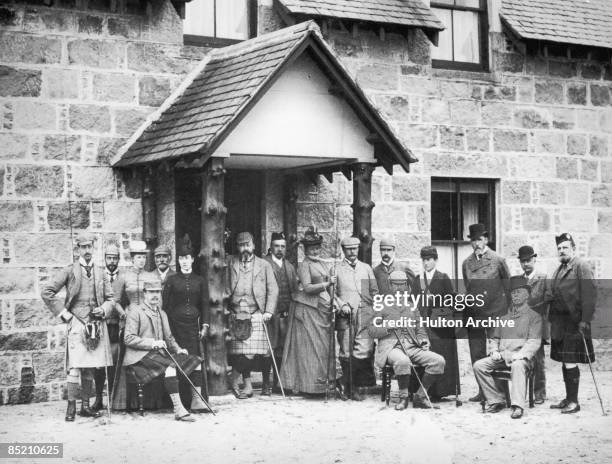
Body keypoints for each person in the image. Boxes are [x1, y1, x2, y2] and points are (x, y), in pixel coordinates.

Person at [41, 234, 115, 421]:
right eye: (83, 247)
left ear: (93, 248)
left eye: (90, 246)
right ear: (78, 249)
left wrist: (104, 309)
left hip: (95, 325)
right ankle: (71, 407)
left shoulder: (100, 272)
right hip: (76, 324)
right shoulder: (69, 271)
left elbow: (111, 298)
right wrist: (64, 314)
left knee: (90, 368)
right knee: (74, 367)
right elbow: (47, 291)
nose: (87, 250)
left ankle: (86, 407)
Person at [123, 281, 202, 422]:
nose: (155, 295)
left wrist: (179, 349)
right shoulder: (135, 311)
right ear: (144, 293)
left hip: (158, 355)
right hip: (139, 357)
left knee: (195, 361)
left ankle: (197, 402)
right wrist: (152, 343)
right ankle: (178, 409)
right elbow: (128, 339)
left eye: (157, 292)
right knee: (171, 367)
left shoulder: (162, 313)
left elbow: (169, 338)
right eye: (151, 292)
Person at [368, 271, 445, 410]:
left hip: (412, 346)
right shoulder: (380, 305)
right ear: (390, 286)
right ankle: (403, 398)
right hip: (391, 348)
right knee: (402, 361)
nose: (399, 289)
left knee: (438, 361)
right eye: (396, 285)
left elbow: (419, 328)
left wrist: (423, 341)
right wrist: (387, 327)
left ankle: (420, 396)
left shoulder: (412, 306)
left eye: (402, 285)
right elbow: (372, 330)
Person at [281, 228, 340, 397]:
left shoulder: (322, 264)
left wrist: (334, 300)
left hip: (323, 310)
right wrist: (327, 285)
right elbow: (307, 288)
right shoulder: (303, 265)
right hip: (308, 310)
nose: (315, 251)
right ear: (305, 250)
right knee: (310, 349)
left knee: (323, 348)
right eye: (312, 248)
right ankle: (310, 385)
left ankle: (324, 384)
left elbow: (330, 289)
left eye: (317, 248)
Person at [473, 276, 543, 419]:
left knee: (517, 365)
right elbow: (494, 339)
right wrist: (494, 351)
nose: (515, 295)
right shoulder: (504, 318)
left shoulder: (534, 317)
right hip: (503, 356)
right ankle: (496, 400)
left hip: (523, 358)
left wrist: (521, 355)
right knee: (479, 366)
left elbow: (534, 342)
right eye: (513, 292)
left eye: (519, 292)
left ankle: (517, 406)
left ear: (527, 294)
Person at [545, 233, 596, 414]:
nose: (562, 250)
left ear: (573, 248)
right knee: (565, 360)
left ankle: (574, 402)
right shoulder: (559, 269)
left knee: (570, 360)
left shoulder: (581, 266)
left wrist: (585, 321)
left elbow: (589, 295)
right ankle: (568, 398)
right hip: (560, 323)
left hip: (574, 323)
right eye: (559, 248)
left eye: (565, 247)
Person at [226, 232, 279, 399]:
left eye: (247, 245)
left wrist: (269, 311)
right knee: (240, 353)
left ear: (254, 246)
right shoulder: (230, 263)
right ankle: (247, 386)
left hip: (256, 312)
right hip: (235, 313)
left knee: (250, 351)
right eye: (241, 245)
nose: (244, 249)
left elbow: (273, 289)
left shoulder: (264, 265)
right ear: (237, 247)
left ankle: (233, 378)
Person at [462, 223, 510, 402]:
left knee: (495, 353)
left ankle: (500, 392)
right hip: (475, 314)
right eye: (473, 240)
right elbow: (468, 287)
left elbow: (508, 287)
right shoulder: (466, 263)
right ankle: (483, 392)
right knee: (476, 353)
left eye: (480, 239)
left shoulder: (498, 260)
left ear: (486, 239)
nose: (477, 243)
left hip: (495, 313)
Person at [163, 237, 210, 411]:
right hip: (176, 328)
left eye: (187, 258)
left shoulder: (200, 281)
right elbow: (165, 308)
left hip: (194, 329)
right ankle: (178, 401)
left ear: (192, 259)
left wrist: (205, 325)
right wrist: (168, 330)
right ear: (178, 260)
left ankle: (196, 401)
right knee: (177, 361)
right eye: (181, 258)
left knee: (195, 361)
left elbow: (204, 304)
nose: (184, 261)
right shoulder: (172, 281)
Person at [411, 246, 458, 400]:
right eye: (423, 260)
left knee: (440, 353)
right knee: (424, 355)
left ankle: (439, 392)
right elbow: (413, 304)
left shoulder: (443, 278)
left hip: (439, 326)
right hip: (423, 325)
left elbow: (451, 303)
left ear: (435, 260)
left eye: (429, 259)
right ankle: (422, 391)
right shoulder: (418, 281)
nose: (426, 263)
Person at [335, 236, 379, 401]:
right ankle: (347, 386)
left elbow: (374, 291)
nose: (352, 252)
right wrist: (341, 305)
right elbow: (331, 294)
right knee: (346, 350)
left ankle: (353, 385)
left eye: (355, 249)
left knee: (363, 350)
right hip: (346, 315)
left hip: (365, 314)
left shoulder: (366, 268)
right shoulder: (336, 269)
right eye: (349, 249)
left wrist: (374, 309)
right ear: (343, 250)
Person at [92, 243, 127, 411]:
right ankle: (98, 398)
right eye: (109, 258)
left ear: (119, 259)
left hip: (116, 327)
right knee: (99, 364)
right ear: (105, 259)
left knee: (113, 362)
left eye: (115, 258)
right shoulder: (98, 277)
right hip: (102, 324)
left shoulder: (123, 279)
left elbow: (126, 302)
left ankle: (112, 399)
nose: (112, 261)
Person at [263, 232, 299, 395]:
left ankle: (279, 383)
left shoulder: (290, 267)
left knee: (282, 349)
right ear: (270, 247)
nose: (279, 249)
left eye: (283, 246)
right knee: (267, 349)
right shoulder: (264, 264)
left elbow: (294, 291)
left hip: (285, 315)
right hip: (269, 314)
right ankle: (265, 383)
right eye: (276, 246)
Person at [518, 245, 549, 404]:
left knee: (538, 360)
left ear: (534, 259)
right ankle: (522, 392)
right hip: (522, 327)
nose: (526, 264)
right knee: (523, 358)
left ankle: (539, 393)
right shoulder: (518, 280)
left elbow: (548, 301)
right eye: (523, 261)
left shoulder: (543, 279)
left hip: (538, 325)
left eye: (528, 260)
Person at [124, 240, 159, 306]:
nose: (142, 260)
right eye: (139, 257)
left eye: (144, 257)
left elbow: (157, 299)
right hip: (131, 313)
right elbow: (117, 300)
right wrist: (123, 314)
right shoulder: (125, 276)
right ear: (132, 259)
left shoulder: (151, 276)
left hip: (147, 313)